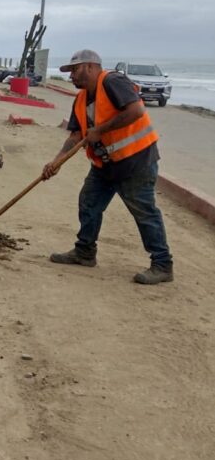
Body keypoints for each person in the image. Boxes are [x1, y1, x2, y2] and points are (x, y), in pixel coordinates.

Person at [42, 48, 173, 285]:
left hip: (136, 161)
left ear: (91, 67)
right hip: (105, 164)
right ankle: (84, 252)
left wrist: (100, 130)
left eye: (74, 70)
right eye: (69, 71)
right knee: (89, 203)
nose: (71, 76)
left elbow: (136, 110)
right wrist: (57, 161)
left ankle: (163, 264)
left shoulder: (113, 81)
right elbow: (75, 135)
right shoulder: (81, 99)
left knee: (144, 212)